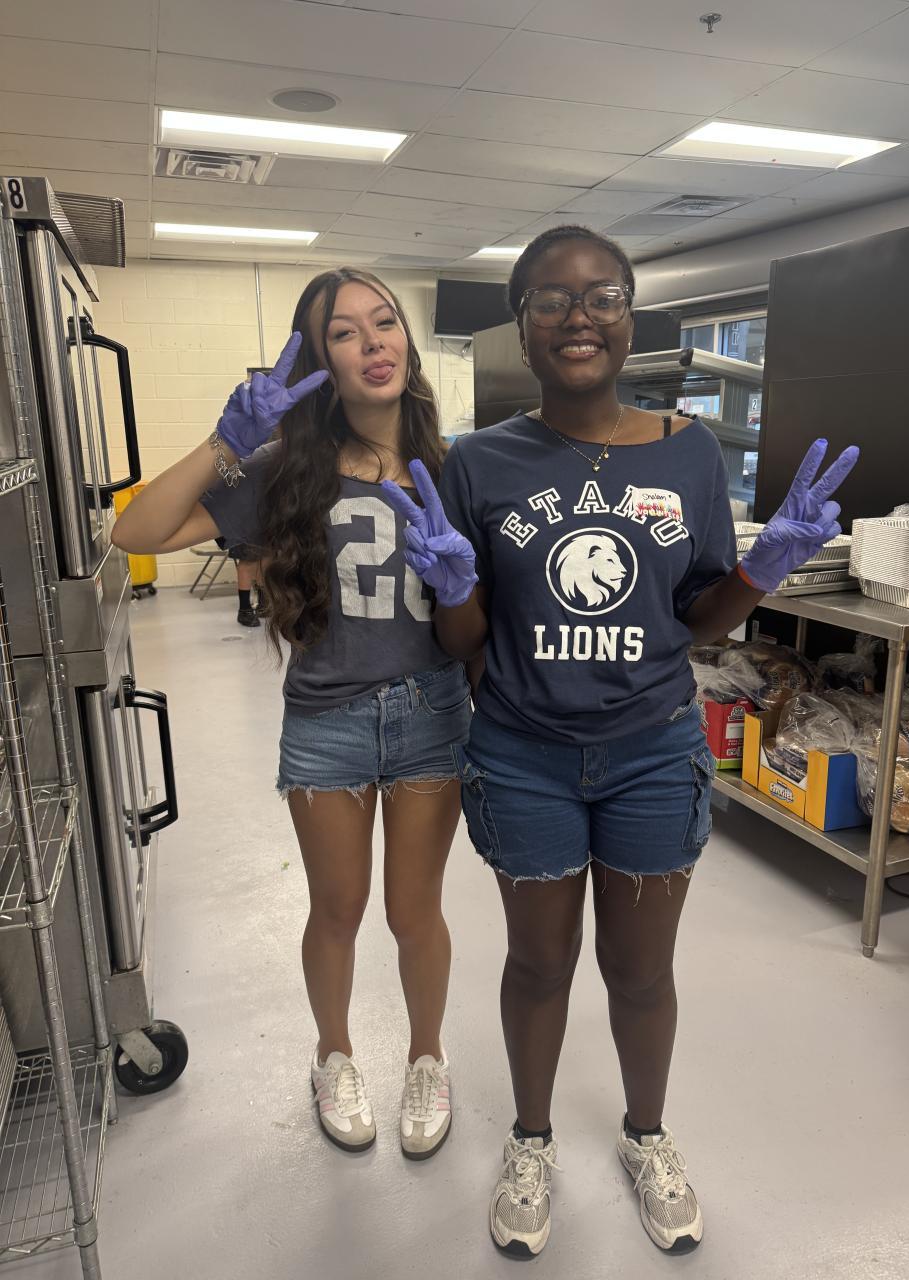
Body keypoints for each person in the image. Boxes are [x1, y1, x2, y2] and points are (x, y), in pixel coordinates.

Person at [383, 226, 858, 1257]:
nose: (579, 316)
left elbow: (696, 621)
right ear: (521, 324)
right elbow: (464, 642)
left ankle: (646, 1135)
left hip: (650, 750)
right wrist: (456, 592)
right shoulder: (480, 462)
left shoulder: (688, 452)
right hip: (523, 755)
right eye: (552, 299)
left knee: (641, 973)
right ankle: (531, 1139)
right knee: (537, 964)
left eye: (602, 295)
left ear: (630, 317)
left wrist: (762, 570)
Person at [112, 268, 474, 1160]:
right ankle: (333, 1056)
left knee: (415, 912)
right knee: (337, 909)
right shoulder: (284, 470)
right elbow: (136, 532)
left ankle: (427, 1058)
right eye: (344, 333)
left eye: (384, 322)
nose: (373, 342)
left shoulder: (459, 467)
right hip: (327, 719)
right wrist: (224, 443)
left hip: (431, 713)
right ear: (319, 362)